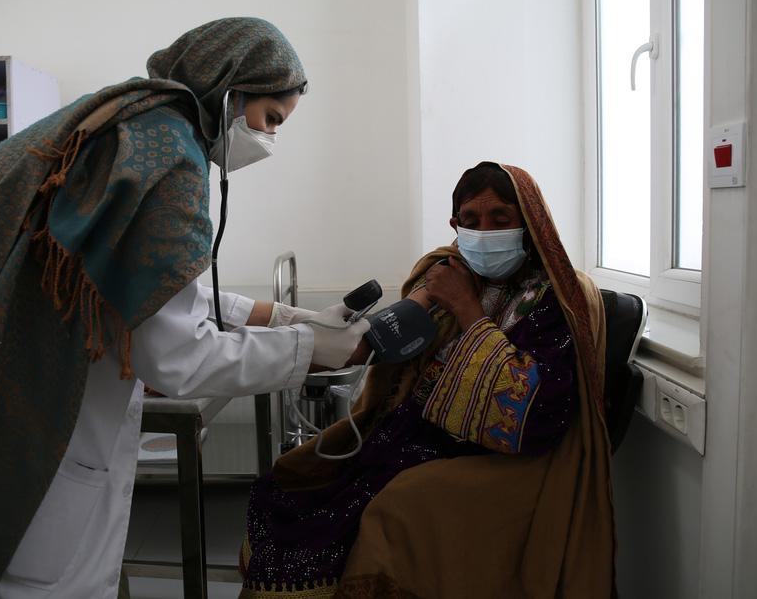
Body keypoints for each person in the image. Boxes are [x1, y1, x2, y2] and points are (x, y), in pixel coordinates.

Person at [0, 17, 369, 599]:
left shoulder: (119, 121)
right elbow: (175, 356)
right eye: (271, 119)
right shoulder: (170, 160)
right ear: (231, 92)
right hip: (10, 404)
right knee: (19, 574)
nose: (269, 138)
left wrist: (277, 316)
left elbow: (125, 279)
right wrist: (317, 351)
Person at [240, 162, 615, 598]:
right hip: (416, 435)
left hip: (502, 459)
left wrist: (467, 311)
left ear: (528, 221)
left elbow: (538, 414)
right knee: (285, 483)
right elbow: (383, 345)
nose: (485, 231)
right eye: (471, 221)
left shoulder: (560, 297)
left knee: (387, 510)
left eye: (500, 218)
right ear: (454, 224)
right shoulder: (447, 273)